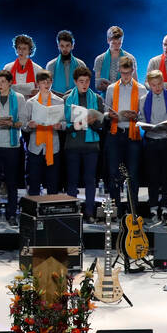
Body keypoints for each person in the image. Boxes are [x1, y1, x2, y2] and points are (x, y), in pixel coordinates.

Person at [62, 67, 104, 221]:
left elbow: (101, 125)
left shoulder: (97, 99)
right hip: (73, 144)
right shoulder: (67, 99)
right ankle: (73, 212)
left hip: (91, 146)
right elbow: (63, 123)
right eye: (81, 81)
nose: (84, 84)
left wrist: (93, 122)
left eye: (87, 81)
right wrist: (75, 124)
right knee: (72, 180)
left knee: (90, 180)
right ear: (75, 82)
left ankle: (90, 212)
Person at [104, 58, 144, 213]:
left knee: (132, 174)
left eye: (128, 73)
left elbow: (144, 116)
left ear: (133, 71)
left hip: (132, 134)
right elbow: (107, 111)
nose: (126, 76)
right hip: (116, 133)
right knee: (114, 172)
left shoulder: (141, 89)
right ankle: (117, 210)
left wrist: (136, 116)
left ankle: (132, 209)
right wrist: (111, 115)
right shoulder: (111, 88)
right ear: (119, 71)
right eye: (123, 72)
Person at [0, 71, 24, 223]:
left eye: (3, 82)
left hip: (11, 145)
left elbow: (23, 121)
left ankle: (11, 213)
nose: (0, 85)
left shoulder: (19, 98)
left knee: (11, 182)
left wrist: (12, 124)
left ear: (10, 83)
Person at [24, 72, 64, 196]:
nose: (46, 85)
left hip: (53, 146)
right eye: (43, 82)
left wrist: (60, 126)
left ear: (51, 82)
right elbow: (24, 125)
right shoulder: (31, 102)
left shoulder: (59, 101)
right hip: (36, 147)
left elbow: (65, 122)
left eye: (48, 82)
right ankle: (34, 211)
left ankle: (51, 212)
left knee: (53, 183)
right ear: (38, 84)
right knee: (34, 182)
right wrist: (29, 125)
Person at [93, 26, 135, 94]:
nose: (117, 46)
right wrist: (108, 87)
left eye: (119, 43)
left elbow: (135, 83)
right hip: (106, 99)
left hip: (125, 98)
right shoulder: (100, 59)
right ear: (108, 40)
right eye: (114, 43)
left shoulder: (130, 58)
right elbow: (97, 86)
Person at [45, 31, 85, 96]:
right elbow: (46, 87)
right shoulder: (51, 65)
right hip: (56, 101)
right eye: (62, 46)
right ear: (58, 46)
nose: (64, 49)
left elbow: (84, 86)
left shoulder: (80, 65)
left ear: (72, 46)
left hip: (76, 101)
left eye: (67, 45)